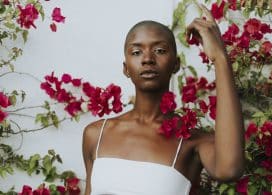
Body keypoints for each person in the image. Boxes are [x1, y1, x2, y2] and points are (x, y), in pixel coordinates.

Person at [82, 4, 245, 195]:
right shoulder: (96, 135)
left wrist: (219, 57)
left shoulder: (192, 142)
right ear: (126, 69)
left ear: (175, 64)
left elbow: (230, 169)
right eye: (136, 52)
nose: (147, 59)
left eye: (159, 50)